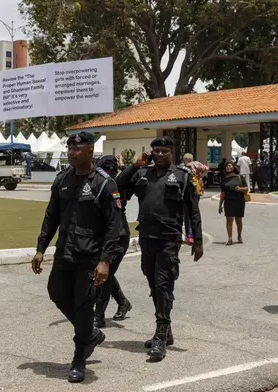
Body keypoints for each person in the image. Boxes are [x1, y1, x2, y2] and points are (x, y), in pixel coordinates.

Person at [32, 132, 122, 383]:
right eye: (69, 147)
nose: (71, 152)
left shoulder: (105, 183)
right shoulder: (62, 180)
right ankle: (90, 333)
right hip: (65, 254)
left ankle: (79, 357)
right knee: (56, 292)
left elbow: (114, 226)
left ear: (90, 151)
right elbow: (52, 216)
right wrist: (41, 248)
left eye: (77, 148)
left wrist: (105, 261)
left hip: (90, 257)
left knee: (83, 306)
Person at [117, 136, 203, 362]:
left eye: (165, 151)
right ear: (151, 153)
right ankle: (167, 331)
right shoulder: (142, 174)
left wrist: (198, 240)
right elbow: (119, 185)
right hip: (146, 237)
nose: (161, 155)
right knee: (153, 283)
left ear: (171, 153)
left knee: (164, 284)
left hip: (169, 239)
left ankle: (161, 333)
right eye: (157, 151)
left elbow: (193, 210)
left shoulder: (183, 177)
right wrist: (135, 165)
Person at [93, 155, 132, 328]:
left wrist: (129, 166)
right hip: (107, 235)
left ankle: (99, 315)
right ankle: (123, 302)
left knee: (105, 275)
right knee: (106, 273)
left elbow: (126, 174)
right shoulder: (105, 183)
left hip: (119, 235)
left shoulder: (116, 183)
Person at [180, 153, 207, 244]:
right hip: (196, 193)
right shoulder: (197, 165)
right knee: (194, 213)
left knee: (187, 214)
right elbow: (205, 169)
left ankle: (190, 235)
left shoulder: (183, 167)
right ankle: (193, 235)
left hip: (187, 193)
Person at [218, 161, 248, 245]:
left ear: (233, 167)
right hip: (228, 201)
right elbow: (222, 193)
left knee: (238, 220)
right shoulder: (224, 179)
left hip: (239, 201)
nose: (228, 167)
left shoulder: (240, 177)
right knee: (229, 219)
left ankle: (239, 236)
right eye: (227, 166)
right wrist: (220, 205)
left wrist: (241, 189)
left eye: (230, 166)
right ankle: (230, 238)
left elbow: (247, 188)